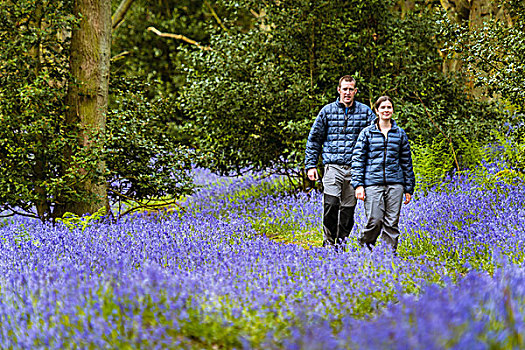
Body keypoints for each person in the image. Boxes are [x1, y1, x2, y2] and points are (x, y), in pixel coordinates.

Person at [305, 75, 375, 248]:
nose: (348, 92)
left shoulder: (365, 112)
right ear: (339, 90)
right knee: (331, 204)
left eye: (351, 89)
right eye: (345, 89)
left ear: (355, 91)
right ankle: (329, 242)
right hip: (332, 167)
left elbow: (375, 138)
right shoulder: (327, 111)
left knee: (347, 210)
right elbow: (314, 139)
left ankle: (341, 243)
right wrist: (311, 165)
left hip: (355, 169)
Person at [351, 95, 415, 253]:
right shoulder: (367, 133)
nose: (386, 110)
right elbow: (358, 160)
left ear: (393, 110)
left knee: (391, 223)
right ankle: (365, 247)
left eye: (389, 107)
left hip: (396, 184)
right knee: (375, 220)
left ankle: (388, 257)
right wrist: (358, 184)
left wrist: (408, 188)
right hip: (372, 183)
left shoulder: (399, 134)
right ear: (377, 110)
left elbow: (406, 162)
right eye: (383, 108)